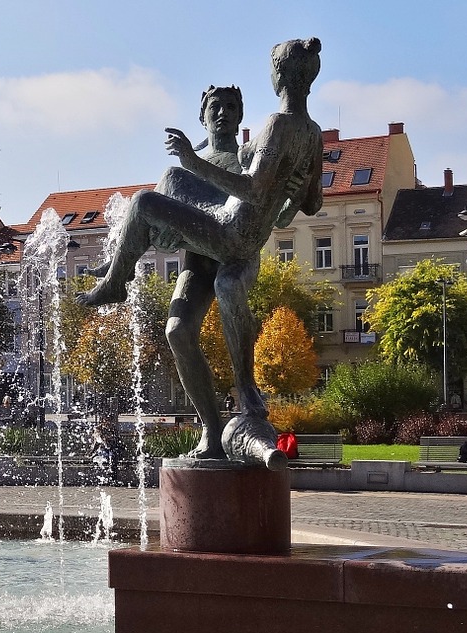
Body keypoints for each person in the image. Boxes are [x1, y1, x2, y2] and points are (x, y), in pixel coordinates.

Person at [79, 40, 325, 463]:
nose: (224, 112)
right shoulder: (301, 133)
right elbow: (298, 202)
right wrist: (172, 231)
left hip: (232, 245)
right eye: (216, 106)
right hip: (201, 245)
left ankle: (117, 279)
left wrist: (289, 193)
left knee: (209, 263)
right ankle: (212, 432)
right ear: (202, 115)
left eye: (232, 106)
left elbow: (285, 207)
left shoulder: (252, 151)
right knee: (177, 331)